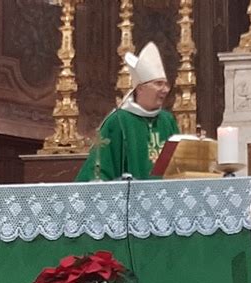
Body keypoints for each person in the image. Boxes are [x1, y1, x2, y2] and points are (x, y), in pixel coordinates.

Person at [76, 42, 179, 181]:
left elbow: (180, 164)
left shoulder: (167, 121)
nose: (165, 89)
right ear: (140, 88)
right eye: (158, 84)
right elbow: (99, 168)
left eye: (166, 84)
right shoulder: (118, 121)